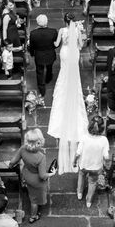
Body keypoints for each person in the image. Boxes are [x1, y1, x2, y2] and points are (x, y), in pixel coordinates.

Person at [47, 13, 89, 174]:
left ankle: (63, 88)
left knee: (64, 72)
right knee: (74, 73)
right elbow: (80, 46)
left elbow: (57, 43)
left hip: (65, 53)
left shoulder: (62, 30)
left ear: (64, 21)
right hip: (74, 54)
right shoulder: (77, 30)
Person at [9, 128, 56, 223]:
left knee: (30, 190)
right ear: (38, 142)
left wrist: (10, 166)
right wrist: (52, 173)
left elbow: (13, 161)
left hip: (26, 174)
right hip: (36, 181)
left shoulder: (22, 148)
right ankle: (33, 216)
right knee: (34, 201)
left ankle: (28, 189)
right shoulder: (41, 157)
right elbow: (42, 176)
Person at [74, 116, 110, 208]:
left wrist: (74, 161)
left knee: (81, 176)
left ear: (89, 126)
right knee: (92, 182)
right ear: (102, 128)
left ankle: (79, 193)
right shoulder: (104, 140)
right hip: (96, 167)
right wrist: (106, 164)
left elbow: (78, 153)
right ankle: (89, 201)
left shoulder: (84, 138)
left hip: (84, 165)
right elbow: (106, 156)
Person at [28, 14, 58, 97]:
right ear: (47, 22)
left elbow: (32, 46)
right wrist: (51, 47)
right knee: (49, 67)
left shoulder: (33, 33)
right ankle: (48, 78)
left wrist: (32, 53)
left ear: (37, 23)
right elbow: (57, 44)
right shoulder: (53, 31)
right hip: (50, 54)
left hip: (39, 55)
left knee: (39, 72)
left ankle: (42, 89)